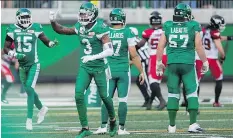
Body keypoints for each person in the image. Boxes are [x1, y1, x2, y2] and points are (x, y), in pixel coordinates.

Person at [49, 2, 117, 138]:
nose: (83, 16)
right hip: (85, 67)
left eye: (86, 14)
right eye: (81, 14)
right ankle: (85, 128)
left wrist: (92, 57)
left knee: (105, 97)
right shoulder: (79, 26)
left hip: (99, 67)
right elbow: (61, 30)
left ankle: (113, 122)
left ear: (93, 15)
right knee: (78, 95)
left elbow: (110, 51)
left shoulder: (100, 28)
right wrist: (52, 21)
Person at [156, 3, 209, 133]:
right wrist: (205, 61)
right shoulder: (193, 25)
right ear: (186, 14)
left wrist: (158, 62)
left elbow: (160, 46)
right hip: (187, 64)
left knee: (173, 93)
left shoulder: (168, 25)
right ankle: (192, 124)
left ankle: (172, 126)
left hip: (172, 63)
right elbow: (198, 46)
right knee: (191, 92)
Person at [3, 8, 58, 130]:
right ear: (18, 18)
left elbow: (45, 40)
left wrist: (50, 44)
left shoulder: (36, 27)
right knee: (29, 90)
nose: (25, 20)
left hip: (34, 64)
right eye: (22, 18)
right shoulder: (12, 29)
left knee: (29, 88)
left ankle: (29, 120)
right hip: (22, 65)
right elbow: (6, 48)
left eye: (27, 17)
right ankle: (42, 108)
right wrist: (14, 54)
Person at [94, 8, 145, 135]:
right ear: (122, 19)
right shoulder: (128, 32)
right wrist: (141, 71)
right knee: (123, 100)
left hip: (108, 70)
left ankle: (102, 126)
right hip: (123, 70)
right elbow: (133, 54)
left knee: (107, 99)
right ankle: (121, 129)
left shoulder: (105, 31)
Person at [137, 11, 166, 110]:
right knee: (156, 82)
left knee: (153, 82)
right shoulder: (166, 30)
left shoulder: (148, 32)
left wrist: (133, 48)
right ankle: (150, 102)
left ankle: (162, 100)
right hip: (165, 56)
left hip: (154, 57)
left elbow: (140, 44)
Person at [130, 27, 151, 107]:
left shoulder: (133, 41)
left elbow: (133, 54)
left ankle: (157, 100)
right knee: (139, 81)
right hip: (147, 61)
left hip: (145, 62)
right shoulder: (139, 39)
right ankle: (147, 99)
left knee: (147, 83)